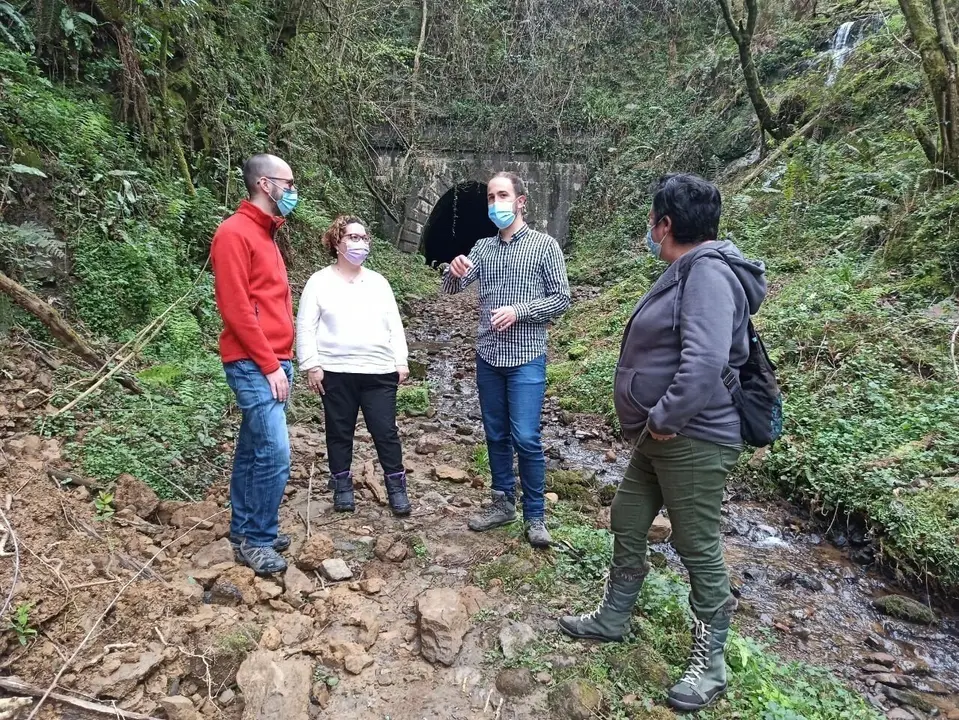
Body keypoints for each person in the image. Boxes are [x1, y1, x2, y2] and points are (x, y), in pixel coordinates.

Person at [558, 174, 767, 712]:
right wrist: (654, 422)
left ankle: (711, 666)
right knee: (628, 516)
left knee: (697, 548)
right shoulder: (687, 270)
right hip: (662, 435)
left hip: (693, 436)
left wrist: (666, 416)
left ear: (665, 224)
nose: (650, 231)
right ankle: (615, 616)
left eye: (653, 222)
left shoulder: (708, 275)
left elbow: (705, 362)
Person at [442, 172, 571, 548]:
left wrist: (520, 310)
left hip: (527, 356)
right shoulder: (483, 247)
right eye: (490, 197)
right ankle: (502, 504)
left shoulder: (545, 246)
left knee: (527, 437)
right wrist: (452, 271)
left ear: (521, 201)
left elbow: (561, 298)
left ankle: (535, 515)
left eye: (502, 195)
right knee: (496, 434)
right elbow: (452, 288)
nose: (495, 202)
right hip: (488, 354)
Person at [211, 153, 299, 576]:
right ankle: (258, 540)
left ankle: (245, 527)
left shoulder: (267, 234)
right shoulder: (234, 233)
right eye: (289, 183)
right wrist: (269, 365)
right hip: (253, 362)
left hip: (275, 359)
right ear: (266, 185)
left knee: (251, 450)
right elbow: (237, 309)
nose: (293, 191)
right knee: (274, 453)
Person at [296, 216, 412, 516]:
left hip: (378, 370)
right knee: (338, 431)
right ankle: (342, 486)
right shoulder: (319, 282)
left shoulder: (378, 282)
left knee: (385, 431)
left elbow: (393, 324)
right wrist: (311, 364)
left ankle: (396, 487)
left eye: (364, 238)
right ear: (337, 242)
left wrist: (400, 359)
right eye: (353, 237)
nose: (360, 243)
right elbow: (306, 325)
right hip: (335, 370)